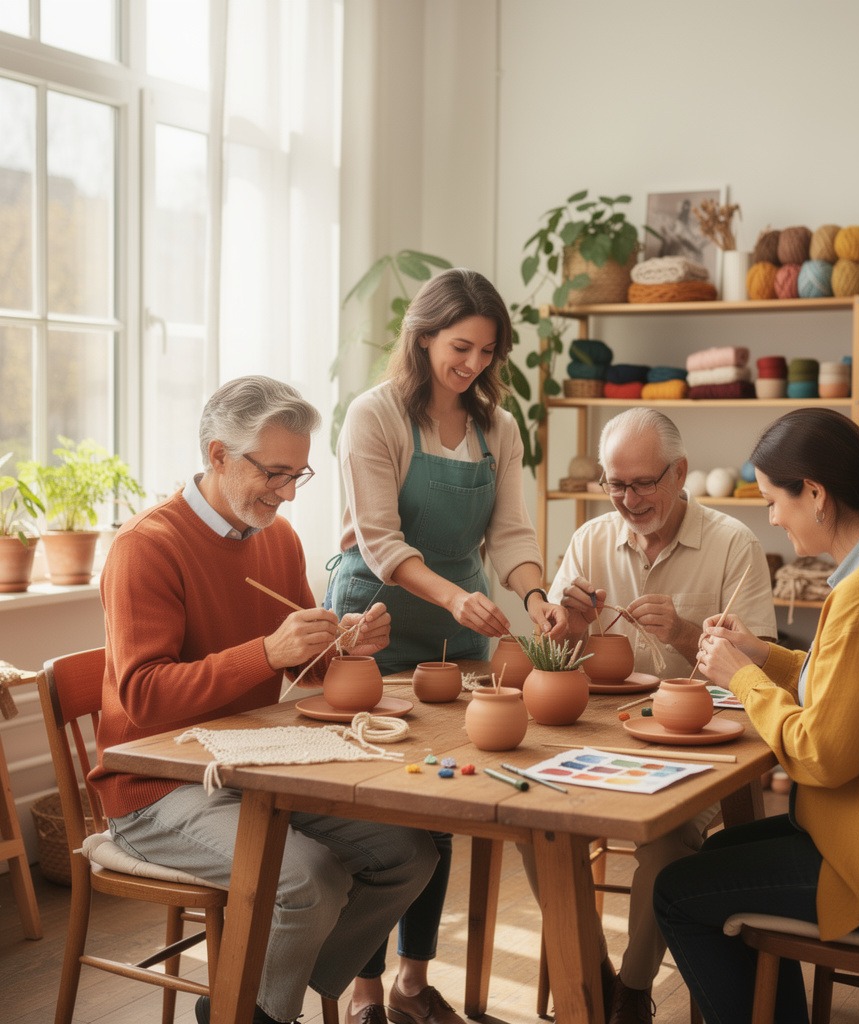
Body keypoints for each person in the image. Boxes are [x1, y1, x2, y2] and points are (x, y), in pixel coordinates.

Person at [90, 376, 439, 1024]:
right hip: (155, 789)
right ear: (218, 455)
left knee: (408, 854)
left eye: (297, 475)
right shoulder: (147, 546)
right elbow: (142, 700)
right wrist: (267, 653)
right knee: (308, 880)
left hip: (254, 767)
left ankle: (252, 1001)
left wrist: (345, 645)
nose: (285, 493)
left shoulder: (276, 537)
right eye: (274, 473)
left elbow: (304, 669)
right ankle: (254, 1010)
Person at [654, 408, 859, 1024]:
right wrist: (761, 654)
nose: (772, 516)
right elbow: (849, 684)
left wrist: (741, 677)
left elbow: (822, 754)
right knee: (713, 858)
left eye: (776, 500)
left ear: (816, 494)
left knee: (675, 891)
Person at [324, 267, 568, 1024]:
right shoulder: (375, 417)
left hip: (458, 633)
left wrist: (533, 596)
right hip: (376, 627)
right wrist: (455, 595)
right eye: (460, 346)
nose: (473, 364)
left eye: (488, 351)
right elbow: (380, 540)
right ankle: (365, 994)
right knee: (379, 813)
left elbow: (513, 536)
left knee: (443, 798)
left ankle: (412, 983)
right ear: (423, 337)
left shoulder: (499, 427)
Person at [520, 407, 777, 1024]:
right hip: (604, 735)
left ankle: (631, 992)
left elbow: (761, 671)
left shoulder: (733, 543)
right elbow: (552, 658)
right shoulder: (589, 541)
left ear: (680, 473)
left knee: (668, 837)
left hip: (698, 742)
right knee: (536, 820)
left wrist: (689, 634)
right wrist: (571, 627)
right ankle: (590, 973)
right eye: (615, 483)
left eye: (643, 483)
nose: (628, 499)